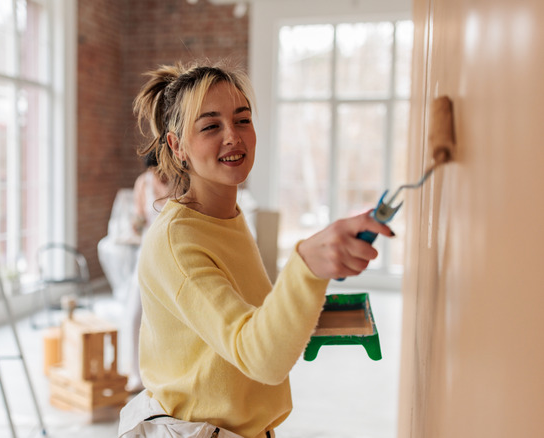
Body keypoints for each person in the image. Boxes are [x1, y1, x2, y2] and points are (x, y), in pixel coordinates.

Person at [117, 61, 394, 438]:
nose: (233, 136)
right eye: (211, 126)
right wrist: (306, 267)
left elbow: (247, 318)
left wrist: (312, 310)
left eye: (242, 120)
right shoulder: (177, 240)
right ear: (177, 146)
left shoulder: (226, 215)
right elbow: (258, 358)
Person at [124, 152, 171, 393]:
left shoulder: (181, 182)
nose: (158, 174)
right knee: (134, 313)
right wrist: (135, 223)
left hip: (172, 256)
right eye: (154, 170)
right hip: (146, 255)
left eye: (161, 169)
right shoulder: (143, 183)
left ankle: (166, 374)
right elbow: (139, 217)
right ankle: (135, 374)